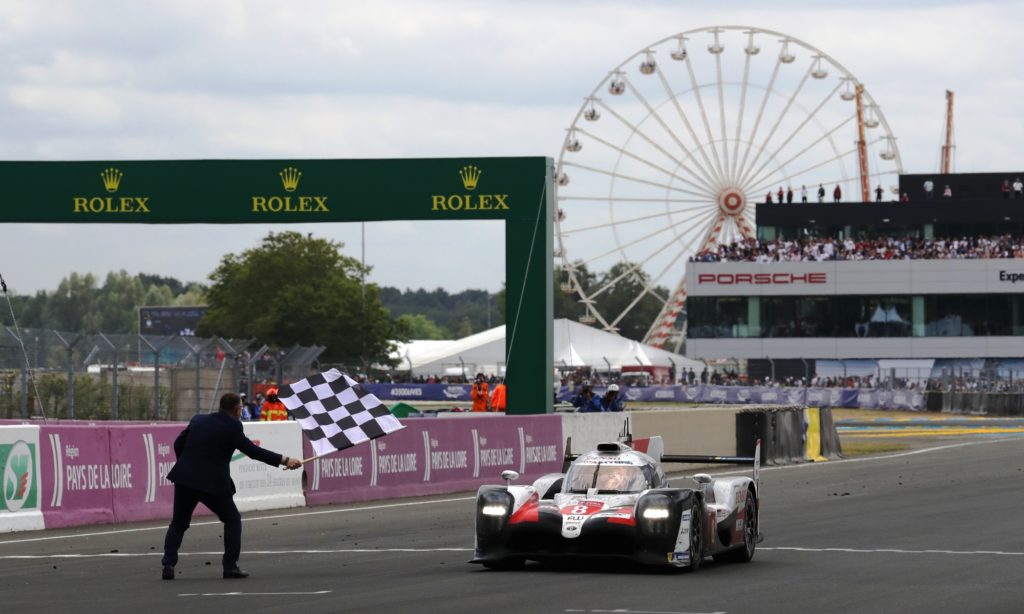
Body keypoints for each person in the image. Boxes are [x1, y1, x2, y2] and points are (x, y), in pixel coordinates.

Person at [161, 392, 302, 580]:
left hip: (185, 478)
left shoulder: (199, 419)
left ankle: (168, 564)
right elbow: (253, 451)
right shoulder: (233, 426)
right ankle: (230, 567)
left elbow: (178, 443)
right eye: (241, 409)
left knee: (178, 523)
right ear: (237, 410)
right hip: (212, 482)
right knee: (232, 519)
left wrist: (187, 464)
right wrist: (285, 460)